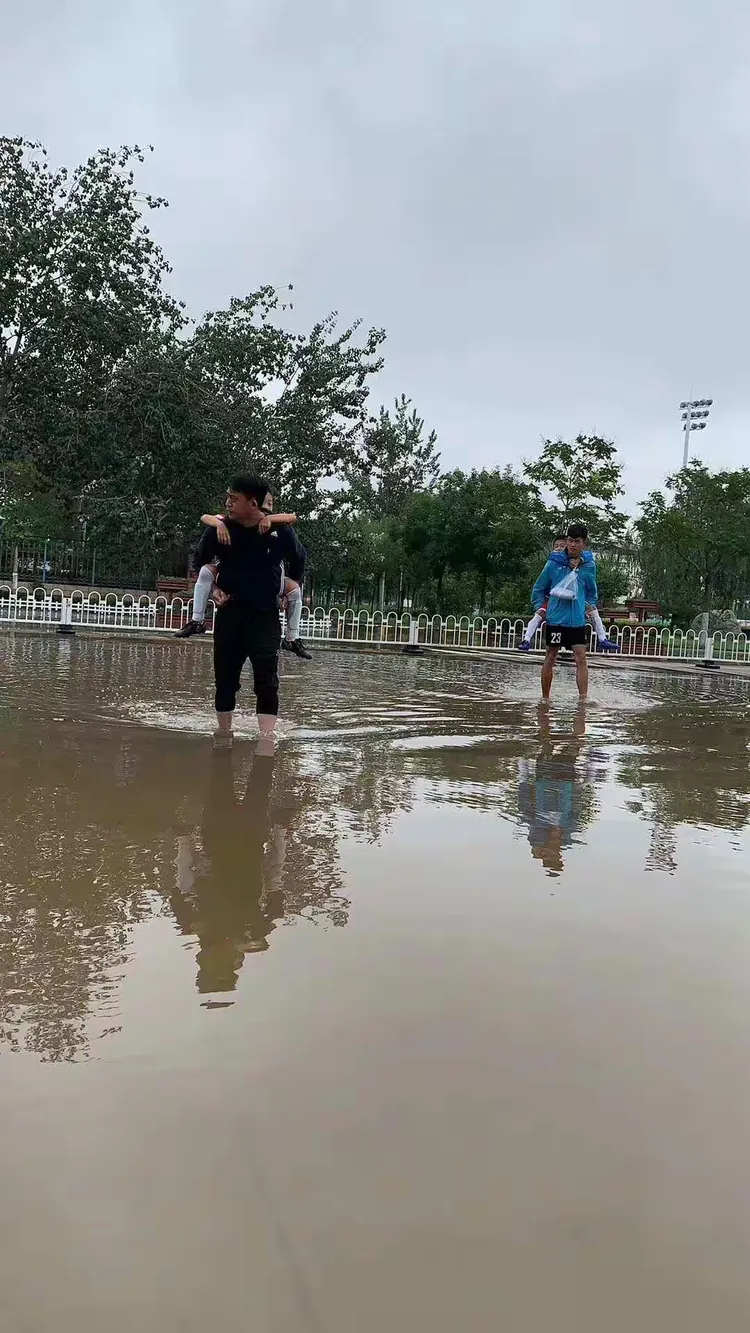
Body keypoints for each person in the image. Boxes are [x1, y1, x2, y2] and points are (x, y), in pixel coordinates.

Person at [193, 473, 306, 742]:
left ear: (253, 503)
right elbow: (200, 560)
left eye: (234, 499)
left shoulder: (279, 532)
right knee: (225, 682)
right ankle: (222, 736)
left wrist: (286, 591)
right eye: (227, 498)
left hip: (265, 618)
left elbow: (299, 559)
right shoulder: (220, 529)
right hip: (229, 615)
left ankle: (267, 740)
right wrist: (214, 590)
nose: (228, 503)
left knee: (267, 681)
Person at [177, 509, 313, 659]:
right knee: (205, 571)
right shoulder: (230, 521)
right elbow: (204, 516)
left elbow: (292, 517)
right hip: (234, 585)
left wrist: (271, 519)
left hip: (268, 585)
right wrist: (219, 525)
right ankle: (197, 621)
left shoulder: (276, 527)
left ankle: (292, 638)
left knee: (294, 590)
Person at [530, 522, 599, 702]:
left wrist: (589, 606)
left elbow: (592, 592)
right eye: (570, 540)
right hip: (556, 620)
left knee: (581, 658)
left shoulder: (588, 565)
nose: (573, 545)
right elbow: (539, 587)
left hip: (576, 620)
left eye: (577, 541)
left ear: (584, 543)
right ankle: (545, 698)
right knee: (551, 656)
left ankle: (583, 699)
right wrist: (540, 607)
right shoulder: (554, 563)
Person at [518, 534, 619, 653]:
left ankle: (602, 639)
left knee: (592, 611)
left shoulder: (584, 561)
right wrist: (539, 604)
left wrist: (580, 560)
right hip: (553, 605)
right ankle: (526, 640)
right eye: (556, 546)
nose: (559, 548)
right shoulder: (554, 561)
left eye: (562, 545)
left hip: (575, 612)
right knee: (539, 617)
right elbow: (539, 586)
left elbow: (588, 556)